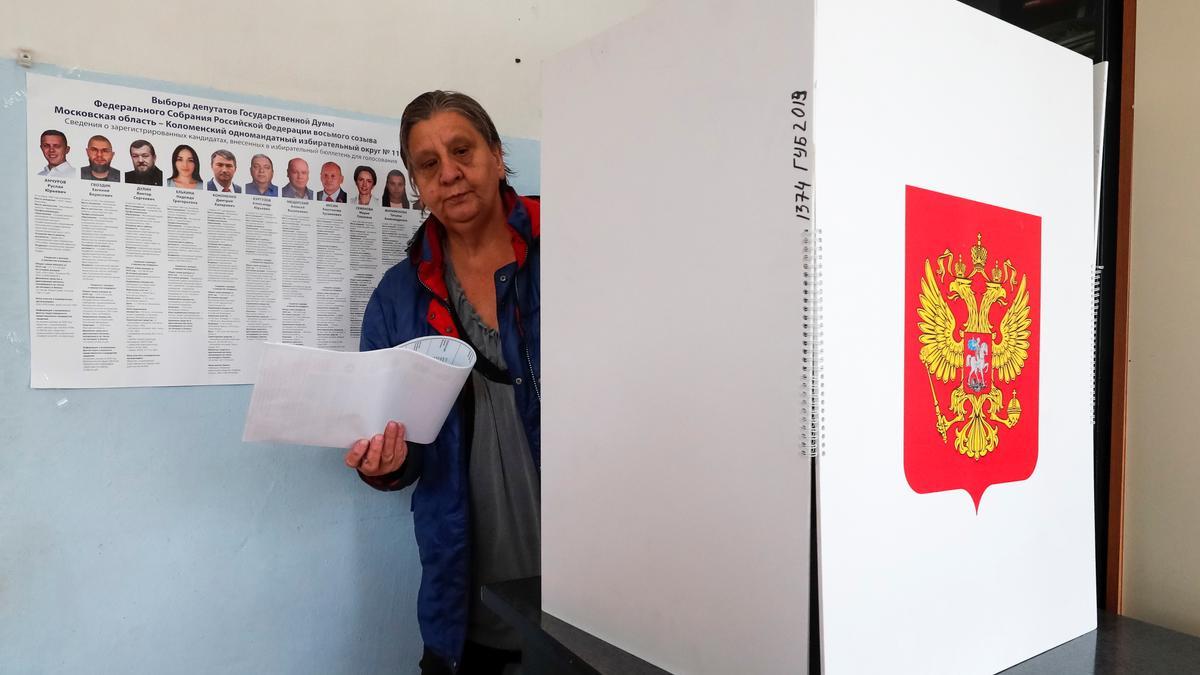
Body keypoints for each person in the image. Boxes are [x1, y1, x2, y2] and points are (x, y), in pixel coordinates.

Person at [346, 91, 540, 675]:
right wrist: (384, 464)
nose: (449, 174)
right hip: (465, 597)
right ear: (416, 183)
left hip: (608, 583)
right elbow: (392, 439)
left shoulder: (576, 246)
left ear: (497, 154)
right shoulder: (398, 295)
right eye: (428, 164)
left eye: (462, 151)